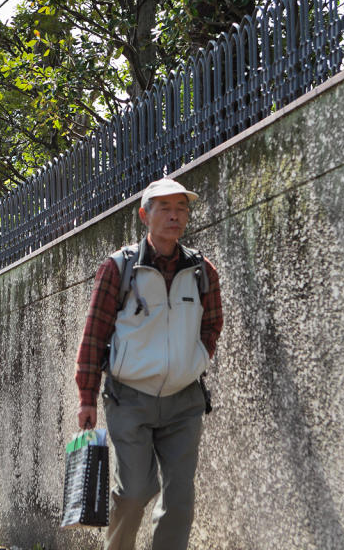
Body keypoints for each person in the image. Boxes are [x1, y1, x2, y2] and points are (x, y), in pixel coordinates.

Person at [75, 177, 223, 550]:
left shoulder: (202, 270)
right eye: (165, 208)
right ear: (145, 215)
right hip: (130, 398)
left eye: (182, 209)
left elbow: (212, 324)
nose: (175, 216)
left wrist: (197, 360)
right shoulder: (118, 268)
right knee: (136, 491)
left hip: (184, 400)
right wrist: (87, 396)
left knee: (180, 500)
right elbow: (95, 333)